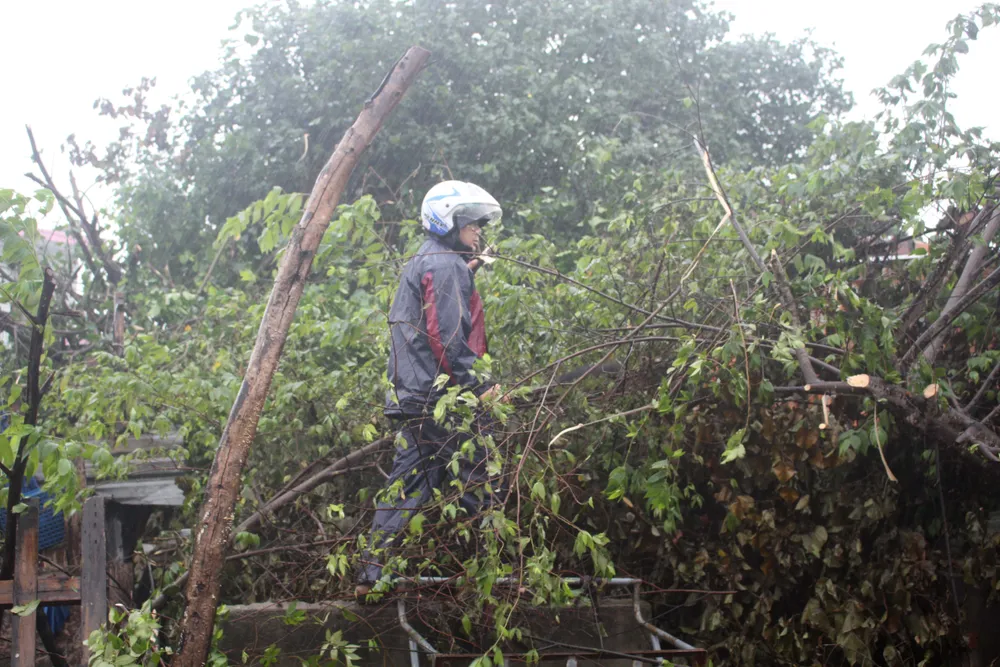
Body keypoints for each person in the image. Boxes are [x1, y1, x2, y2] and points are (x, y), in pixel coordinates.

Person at [356, 180, 506, 595]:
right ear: (450, 220)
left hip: (415, 396)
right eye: (471, 224)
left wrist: (467, 270)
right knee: (484, 477)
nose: (478, 232)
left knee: (408, 487)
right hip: (439, 399)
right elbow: (445, 338)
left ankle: (371, 578)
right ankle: (490, 580)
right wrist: (480, 387)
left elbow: (431, 318)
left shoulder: (433, 259)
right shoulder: (443, 266)